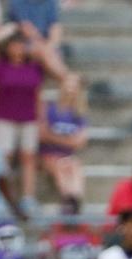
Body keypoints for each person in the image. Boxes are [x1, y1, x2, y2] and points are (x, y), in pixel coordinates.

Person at [0, 33, 46, 211]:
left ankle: (28, 197)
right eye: (14, 45)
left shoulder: (34, 67)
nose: (18, 49)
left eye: (20, 45)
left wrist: (41, 120)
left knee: (29, 157)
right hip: (4, 118)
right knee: (4, 157)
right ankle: (2, 196)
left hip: (29, 119)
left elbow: (38, 95)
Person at [38, 72, 87, 209]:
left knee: (74, 165)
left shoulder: (78, 113)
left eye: (74, 85)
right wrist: (67, 140)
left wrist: (54, 138)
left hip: (66, 156)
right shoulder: (49, 108)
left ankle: (75, 201)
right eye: (68, 84)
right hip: (47, 156)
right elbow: (42, 135)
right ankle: (68, 202)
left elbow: (80, 142)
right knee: (59, 165)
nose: (70, 88)